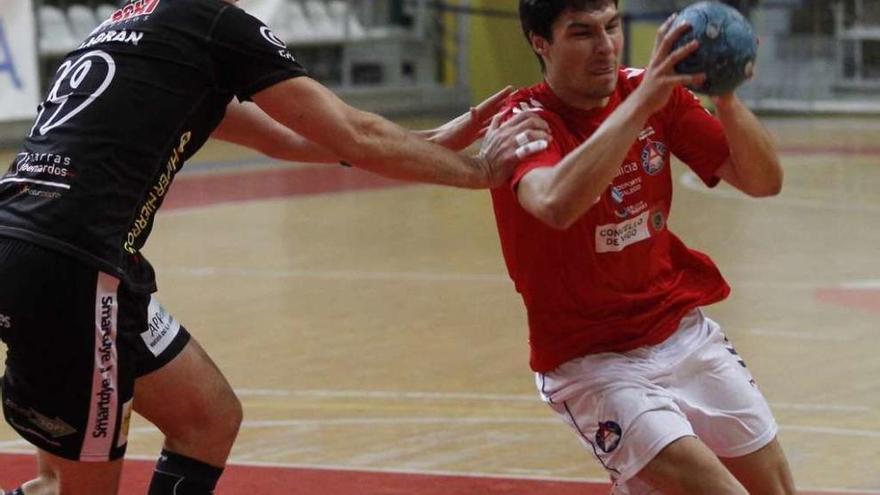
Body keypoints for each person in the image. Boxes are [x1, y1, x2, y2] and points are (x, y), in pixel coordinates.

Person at [0, 0, 551, 494]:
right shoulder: (216, 23)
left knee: (207, 419)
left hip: (46, 248)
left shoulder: (134, 23)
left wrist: (429, 142)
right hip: (74, 269)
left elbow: (284, 136)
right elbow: (351, 133)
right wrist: (477, 171)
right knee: (79, 490)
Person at [490, 1, 796, 494]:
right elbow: (553, 204)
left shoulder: (649, 93)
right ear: (540, 42)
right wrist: (641, 103)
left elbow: (764, 182)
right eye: (582, 33)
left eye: (611, 27)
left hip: (679, 330)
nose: (606, 46)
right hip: (590, 362)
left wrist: (727, 98)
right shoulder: (524, 120)